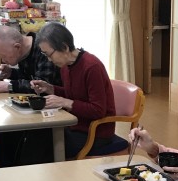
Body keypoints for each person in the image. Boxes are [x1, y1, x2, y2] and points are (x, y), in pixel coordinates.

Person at [30, 22, 117, 159]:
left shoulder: (92, 66)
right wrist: (50, 88)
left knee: (44, 147)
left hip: (95, 133)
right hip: (74, 126)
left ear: (64, 47)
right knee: (34, 135)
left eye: (49, 54)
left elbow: (98, 110)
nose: (48, 60)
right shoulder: (66, 66)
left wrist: (64, 102)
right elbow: (74, 95)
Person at [0, 25, 61, 167]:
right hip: (31, 107)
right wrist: (11, 73)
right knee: (0, 130)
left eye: (4, 55)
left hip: (52, 110)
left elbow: (41, 85)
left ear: (17, 46)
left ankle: (14, 169)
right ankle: (3, 170)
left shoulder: (44, 49)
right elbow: (29, 77)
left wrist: (8, 86)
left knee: (13, 135)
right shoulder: (23, 52)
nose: (3, 60)